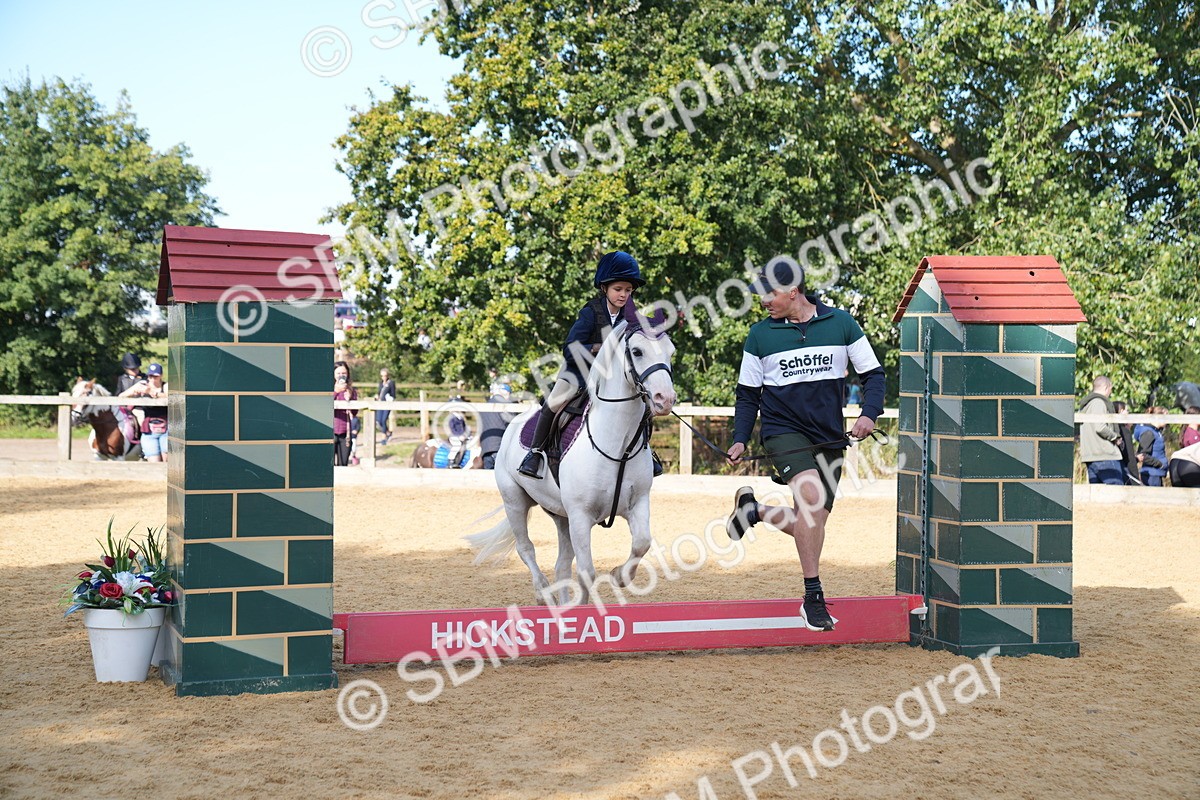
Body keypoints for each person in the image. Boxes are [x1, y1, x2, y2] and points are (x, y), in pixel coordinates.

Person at [723, 259, 885, 632]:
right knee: (811, 499)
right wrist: (740, 438)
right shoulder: (759, 335)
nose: (764, 301)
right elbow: (748, 395)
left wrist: (869, 414)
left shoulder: (841, 323)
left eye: (770, 294)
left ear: (793, 291)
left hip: (829, 436)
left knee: (811, 522)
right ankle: (813, 597)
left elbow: (874, 375)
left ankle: (754, 511)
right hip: (782, 431)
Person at [518, 250, 646, 479]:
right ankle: (534, 453)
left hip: (610, 378)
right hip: (578, 374)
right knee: (553, 403)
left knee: (643, 404)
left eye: (628, 290)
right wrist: (597, 348)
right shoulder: (590, 312)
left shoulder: (630, 316)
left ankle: (646, 453)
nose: (624, 295)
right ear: (604, 288)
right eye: (618, 289)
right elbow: (570, 348)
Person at [1078, 376, 1123, 485]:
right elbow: (1100, 427)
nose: (1110, 393)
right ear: (1106, 387)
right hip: (1104, 454)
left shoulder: (1085, 405)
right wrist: (1115, 437)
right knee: (1116, 492)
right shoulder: (1099, 402)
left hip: (1091, 456)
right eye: (1110, 389)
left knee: (1098, 494)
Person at [134, 363, 168, 462]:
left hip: (167, 429)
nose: (152, 379)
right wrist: (136, 390)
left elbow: (170, 396)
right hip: (149, 429)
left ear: (161, 376)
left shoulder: (166, 386)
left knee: (167, 461)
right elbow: (122, 395)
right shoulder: (143, 385)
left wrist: (153, 392)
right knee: (153, 462)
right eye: (150, 376)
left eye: (155, 376)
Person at [480, 381, 517, 469]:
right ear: (506, 393)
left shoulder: (483, 406)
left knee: (488, 476)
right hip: (500, 448)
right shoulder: (506, 405)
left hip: (486, 449)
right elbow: (514, 424)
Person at [114, 353, 146, 446]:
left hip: (138, 407)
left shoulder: (145, 378)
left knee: (142, 421)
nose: (135, 371)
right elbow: (118, 393)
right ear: (126, 369)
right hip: (124, 408)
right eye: (132, 369)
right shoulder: (122, 379)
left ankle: (142, 444)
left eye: (136, 368)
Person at [1133, 408, 1168, 487]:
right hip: (1151, 475)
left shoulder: (1156, 432)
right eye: (1166, 417)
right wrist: (1160, 464)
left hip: (1156, 473)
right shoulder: (1148, 433)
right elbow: (1143, 454)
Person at [333, 361, 358, 467]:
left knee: (343, 465)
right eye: (338, 373)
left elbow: (354, 412)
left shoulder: (351, 390)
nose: (341, 376)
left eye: (344, 373)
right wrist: (336, 392)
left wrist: (350, 399)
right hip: (330, 430)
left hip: (345, 432)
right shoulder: (327, 389)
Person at [1113, 401, 1141, 485]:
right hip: (1126, 471)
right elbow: (1129, 457)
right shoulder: (1124, 431)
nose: (1128, 413)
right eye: (1127, 411)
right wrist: (1135, 478)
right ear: (1121, 411)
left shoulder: (1112, 430)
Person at [376, 368, 396, 445]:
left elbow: (393, 394)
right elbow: (379, 392)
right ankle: (388, 432)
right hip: (380, 404)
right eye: (382, 376)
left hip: (387, 404)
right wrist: (377, 396)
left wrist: (390, 398)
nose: (383, 377)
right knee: (379, 421)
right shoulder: (381, 383)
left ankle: (383, 438)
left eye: (385, 375)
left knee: (384, 420)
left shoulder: (391, 383)